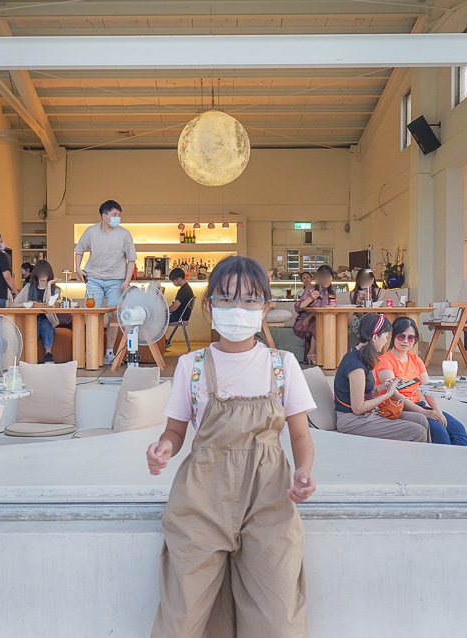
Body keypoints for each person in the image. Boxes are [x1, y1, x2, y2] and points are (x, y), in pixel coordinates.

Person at [146, 255, 316, 636]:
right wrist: (163, 449)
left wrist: (303, 471)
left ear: (266, 307)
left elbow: (301, 434)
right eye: (225, 299)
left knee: (277, 617)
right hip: (201, 498)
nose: (237, 309)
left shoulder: (282, 364)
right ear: (209, 306)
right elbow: (175, 432)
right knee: (184, 616)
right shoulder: (190, 365)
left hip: (269, 498)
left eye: (250, 299)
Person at [333, 313, 434, 441]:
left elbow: (370, 392)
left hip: (365, 415)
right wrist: (388, 394)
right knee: (417, 431)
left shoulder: (361, 355)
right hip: (352, 420)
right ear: (375, 337)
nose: (387, 341)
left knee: (421, 419)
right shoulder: (356, 366)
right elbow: (358, 408)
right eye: (386, 336)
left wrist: (390, 384)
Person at [377, 317, 467, 446]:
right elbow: (393, 394)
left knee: (457, 429)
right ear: (393, 337)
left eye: (410, 338)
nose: (405, 341)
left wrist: (438, 412)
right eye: (401, 336)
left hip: (419, 405)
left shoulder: (416, 360)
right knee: (439, 432)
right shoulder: (385, 360)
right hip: (398, 409)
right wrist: (424, 412)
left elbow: (427, 389)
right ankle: (441, 464)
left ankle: (463, 464)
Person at [73, 200, 136, 365]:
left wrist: (126, 281)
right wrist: (78, 269)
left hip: (116, 281)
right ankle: (91, 352)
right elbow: (79, 250)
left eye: (119, 215)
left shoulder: (124, 234)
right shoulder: (91, 232)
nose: (118, 218)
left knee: (114, 315)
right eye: (115, 215)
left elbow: (131, 260)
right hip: (93, 279)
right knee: (92, 314)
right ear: (104, 216)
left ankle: (109, 353)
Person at [12, 260, 61, 363]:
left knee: (45, 324)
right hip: (31, 320)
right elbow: (13, 304)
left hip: (48, 321)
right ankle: (29, 357)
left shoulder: (55, 290)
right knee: (33, 326)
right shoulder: (28, 288)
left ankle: (48, 354)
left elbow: (49, 305)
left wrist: (48, 285)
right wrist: (25, 304)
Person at [293, 264, 336, 364]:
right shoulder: (310, 290)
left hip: (320, 319)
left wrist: (311, 314)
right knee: (319, 325)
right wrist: (311, 298)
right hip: (303, 322)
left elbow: (330, 308)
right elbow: (299, 307)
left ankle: (332, 358)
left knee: (327, 325)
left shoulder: (332, 292)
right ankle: (311, 353)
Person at [348, 269, 379, 336]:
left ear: (372, 280)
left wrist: (370, 303)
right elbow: (360, 316)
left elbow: (377, 314)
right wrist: (358, 305)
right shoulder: (354, 294)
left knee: (373, 322)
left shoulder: (380, 292)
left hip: (375, 318)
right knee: (363, 323)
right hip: (360, 320)